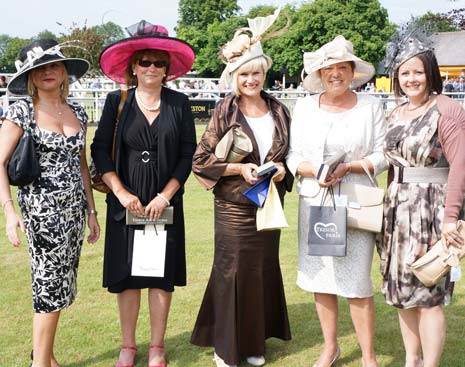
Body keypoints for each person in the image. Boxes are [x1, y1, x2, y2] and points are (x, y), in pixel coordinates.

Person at [90, 20, 196, 367]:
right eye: (145, 62)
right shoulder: (116, 101)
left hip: (162, 205)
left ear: (167, 70)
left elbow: (186, 155)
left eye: (159, 63)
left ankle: (157, 347)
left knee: (159, 278)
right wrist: (120, 192)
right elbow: (100, 149)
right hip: (126, 205)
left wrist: (165, 195)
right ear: (133, 67)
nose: (151, 68)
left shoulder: (179, 104)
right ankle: (128, 346)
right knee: (127, 278)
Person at [190, 9, 292, 367]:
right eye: (244, 74)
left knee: (261, 271)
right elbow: (200, 160)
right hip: (233, 206)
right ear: (235, 76)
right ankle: (226, 347)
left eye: (256, 73)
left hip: (268, 204)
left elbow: (289, 156)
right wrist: (239, 168)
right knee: (232, 271)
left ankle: (253, 345)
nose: (251, 79)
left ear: (265, 73)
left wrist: (282, 169)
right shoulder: (224, 111)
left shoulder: (280, 110)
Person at [286, 35, 387, 367]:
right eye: (329, 68)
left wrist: (351, 167)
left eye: (342, 67)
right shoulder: (303, 107)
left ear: (352, 71)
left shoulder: (371, 107)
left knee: (357, 281)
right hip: (315, 201)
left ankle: (369, 357)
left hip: (356, 201)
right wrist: (316, 171)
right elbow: (293, 156)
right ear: (320, 73)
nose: (335, 74)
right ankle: (330, 347)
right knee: (321, 278)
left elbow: (384, 154)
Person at [0, 39, 99, 367]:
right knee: (48, 284)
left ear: (63, 70)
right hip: (41, 214)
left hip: (73, 214)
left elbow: (81, 165)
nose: (47, 72)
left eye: (53, 65)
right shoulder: (21, 111)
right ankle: (40, 363)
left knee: (61, 285)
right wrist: (9, 211)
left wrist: (92, 211)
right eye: (39, 68)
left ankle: (45, 355)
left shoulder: (78, 111)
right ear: (29, 76)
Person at [379, 36, 465, 367]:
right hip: (397, 211)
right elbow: (392, 165)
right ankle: (411, 360)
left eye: (417, 72)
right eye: (404, 73)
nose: (411, 79)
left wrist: (449, 219)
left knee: (428, 294)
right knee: (403, 295)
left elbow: (460, 166)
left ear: (430, 72)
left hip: (432, 212)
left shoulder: (447, 109)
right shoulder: (396, 112)